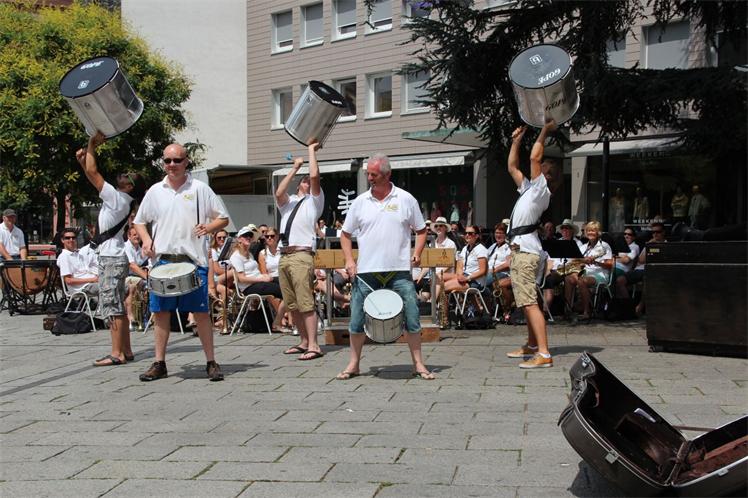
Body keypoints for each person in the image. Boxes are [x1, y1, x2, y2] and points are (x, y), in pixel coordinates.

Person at [133, 142, 229, 382]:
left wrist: (208, 227)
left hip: (193, 260)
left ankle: (211, 362)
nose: (172, 165)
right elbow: (139, 221)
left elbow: (223, 218)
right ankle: (159, 362)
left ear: (186, 162)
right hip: (163, 262)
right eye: (167, 160)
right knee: (160, 312)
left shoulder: (200, 189)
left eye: (177, 160)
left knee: (201, 312)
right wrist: (146, 240)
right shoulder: (155, 190)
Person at [337, 152, 433, 380]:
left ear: (387, 174)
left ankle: (418, 364)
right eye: (368, 174)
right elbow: (345, 234)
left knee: (412, 316)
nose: (369, 178)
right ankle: (354, 364)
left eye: (374, 174)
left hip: (399, 270)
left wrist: (417, 253)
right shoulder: (360, 202)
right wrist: (349, 260)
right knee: (356, 318)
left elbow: (421, 230)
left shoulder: (406, 199)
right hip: (366, 271)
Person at [76, 132, 145, 367]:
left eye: (128, 176)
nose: (123, 174)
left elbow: (94, 172)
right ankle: (127, 350)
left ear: (130, 187)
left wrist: (91, 145)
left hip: (110, 258)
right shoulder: (121, 199)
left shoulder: (117, 198)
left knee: (111, 304)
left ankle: (116, 354)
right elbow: (91, 175)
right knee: (118, 303)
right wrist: (83, 161)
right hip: (116, 256)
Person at [505, 121, 557, 369]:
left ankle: (544, 353)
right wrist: (516, 141)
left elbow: (534, 156)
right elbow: (512, 167)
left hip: (526, 252)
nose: (538, 165)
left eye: (543, 167)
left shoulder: (540, 190)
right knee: (526, 300)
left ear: (547, 176)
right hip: (521, 250)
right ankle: (533, 345)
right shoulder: (529, 189)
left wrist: (545, 129)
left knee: (529, 302)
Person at [275, 143, 325, 360]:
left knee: (305, 301)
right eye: (303, 181)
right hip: (285, 254)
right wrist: (294, 168)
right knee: (292, 303)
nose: (307, 182)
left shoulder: (314, 201)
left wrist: (311, 151)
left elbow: (314, 176)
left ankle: (314, 344)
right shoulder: (290, 202)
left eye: (308, 181)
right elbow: (279, 192)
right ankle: (304, 341)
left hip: (301, 254)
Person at [229, 224, 284, 331]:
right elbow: (241, 278)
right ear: (239, 239)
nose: (248, 237)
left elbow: (254, 272)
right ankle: (278, 322)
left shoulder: (249, 254)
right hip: (248, 287)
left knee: (289, 287)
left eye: (250, 235)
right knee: (285, 291)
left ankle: (280, 320)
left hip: (258, 282)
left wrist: (263, 276)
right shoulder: (236, 256)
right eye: (245, 235)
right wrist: (261, 278)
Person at [563, 221, 613, 320]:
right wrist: (583, 261)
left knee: (582, 281)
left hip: (600, 274)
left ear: (598, 232)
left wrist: (596, 262)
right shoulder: (583, 247)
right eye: (588, 230)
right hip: (585, 272)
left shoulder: (604, 246)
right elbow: (575, 261)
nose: (590, 233)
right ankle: (567, 310)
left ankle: (586, 311)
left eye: (593, 231)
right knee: (568, 279)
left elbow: (610, 265)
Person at [57, 227, 99, 296]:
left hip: (92, 283)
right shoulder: (64, 256)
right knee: (109, 288)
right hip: (83, 288)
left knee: (114, 284)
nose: (71, 240)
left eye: (73, 238)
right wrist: (92, 279)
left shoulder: (79, 254)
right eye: (67, 238)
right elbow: (68, 280)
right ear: (62, 240)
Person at [486, 222, 513, 320]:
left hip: (502, 273)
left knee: (481, 282)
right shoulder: (493, 246)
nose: (498, 235)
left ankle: (486, 309)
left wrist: (493, 270)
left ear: (505, 235)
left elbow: (509, 264)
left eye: (501, 233)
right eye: (496, 233)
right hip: (489, 272)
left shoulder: (508, 247)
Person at [123, 225, 149, 329]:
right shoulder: (126, 247)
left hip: (136, 276)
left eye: (138, 234)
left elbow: (146, 263)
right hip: (125, 277)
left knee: (149, 287)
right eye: (134, 235)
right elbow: (132, 266)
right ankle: (132, 318)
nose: (137, 236)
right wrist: (147, 277)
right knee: (136, 284)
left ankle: (144, 317)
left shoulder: (139, 248)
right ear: (128, 236)